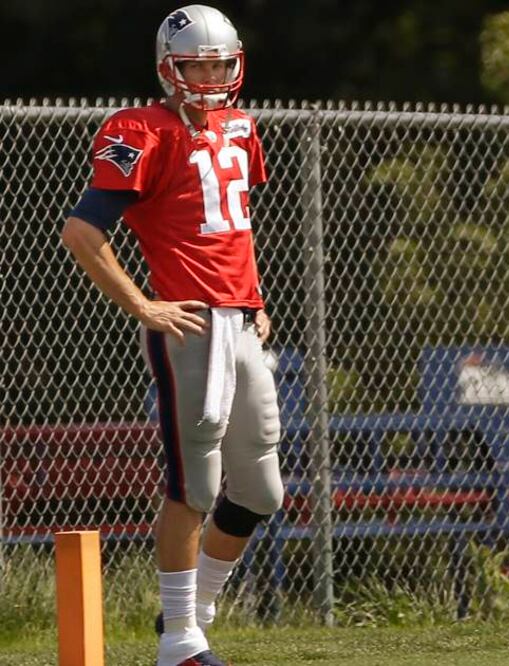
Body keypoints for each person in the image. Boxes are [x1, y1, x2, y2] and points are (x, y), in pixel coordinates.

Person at [60, 5, 283, 665]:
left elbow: (232, 225)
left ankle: (195, 610)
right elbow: (82, 231)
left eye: (220, 63)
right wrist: (144, 307)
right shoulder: (140, 129)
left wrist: (256, 296)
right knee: (196, 487)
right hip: (191, 324)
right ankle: (179, 643)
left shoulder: (242, 127)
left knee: (262, 490)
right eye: (196, 65)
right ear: (168, 69)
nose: (211, 76)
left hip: (240, 318)